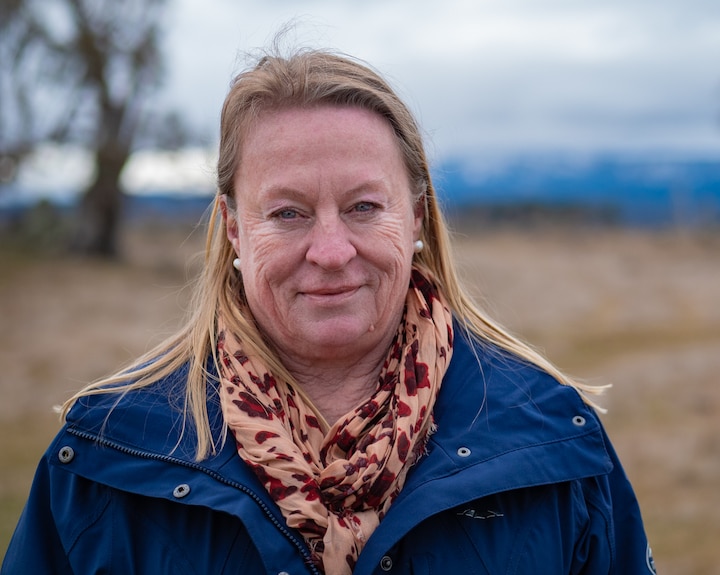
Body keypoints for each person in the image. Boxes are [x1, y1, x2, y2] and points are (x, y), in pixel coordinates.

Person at [2, 46, 656, 575]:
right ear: (233, 227)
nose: (332, 250)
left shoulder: (553, 444)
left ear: (417, 216)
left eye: (364, 207)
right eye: (287, 213)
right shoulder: (108, 456)